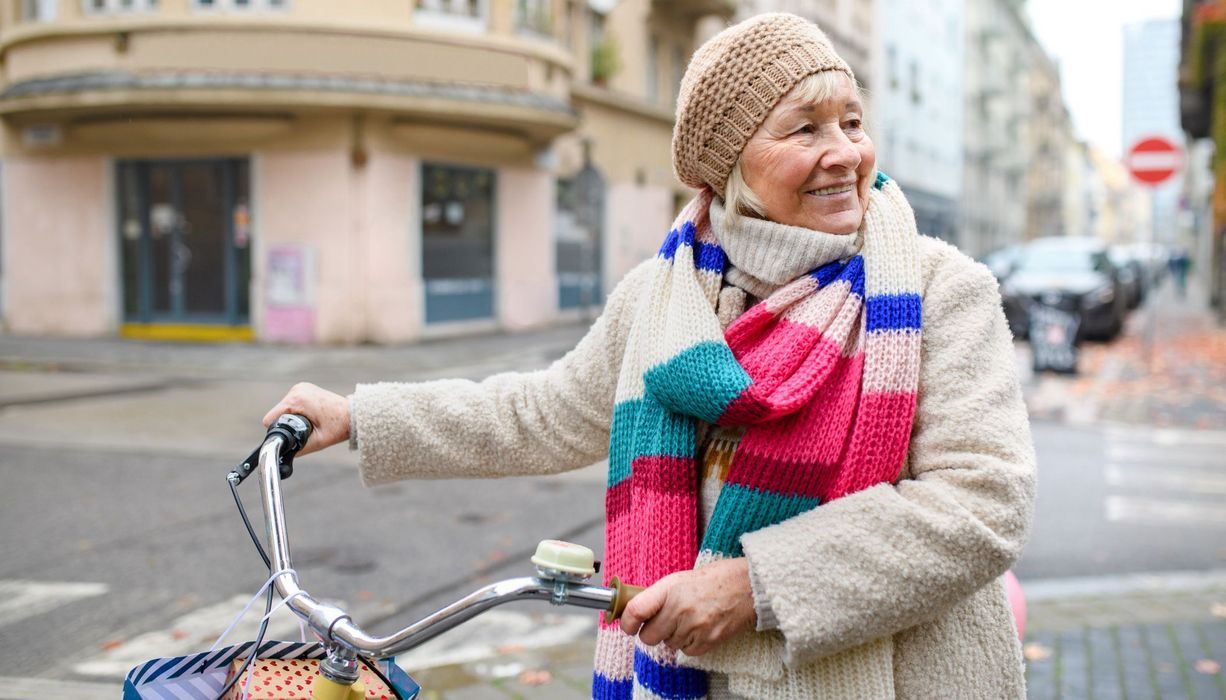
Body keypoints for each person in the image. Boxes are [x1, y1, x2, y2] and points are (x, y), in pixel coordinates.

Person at [264, 13, 1036, 699]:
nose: (845, 154)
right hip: (694, 679)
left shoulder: (939, 290)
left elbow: (980, 503)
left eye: (852, 122)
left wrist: (754, 585)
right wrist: (358, 416)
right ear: (726, 164)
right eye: (805, 129)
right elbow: (544, 412)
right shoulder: (664, 299)